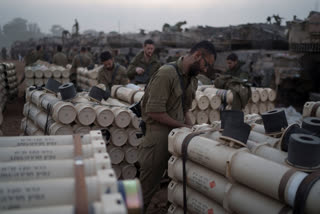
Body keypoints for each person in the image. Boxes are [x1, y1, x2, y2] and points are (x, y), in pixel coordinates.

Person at [138, 40, 216, 212]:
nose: (205, 70)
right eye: (206, 64)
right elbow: (154, 112)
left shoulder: (192, 80)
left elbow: (185, 108)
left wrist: (192, 130)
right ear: (197, 56)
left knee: (177, 187)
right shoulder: (167, 73)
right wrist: (183, 126)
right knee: (145, 190)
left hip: (178, 138)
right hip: (157, 139)